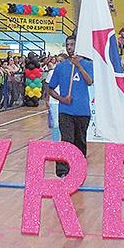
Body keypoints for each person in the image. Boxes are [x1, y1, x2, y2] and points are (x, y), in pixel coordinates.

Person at [46, 36, 93, 178]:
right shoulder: (61, 67)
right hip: (65, 111)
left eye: (72, 44)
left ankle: (78, 171)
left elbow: (89, 81)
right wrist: (61, 99)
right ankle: (62, 172)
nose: (69, 47)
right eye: (68, 45)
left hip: (82, 111)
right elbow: (50, 88)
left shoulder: (87, 64)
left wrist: (78, 66)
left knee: (80, 141)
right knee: (66, 140)